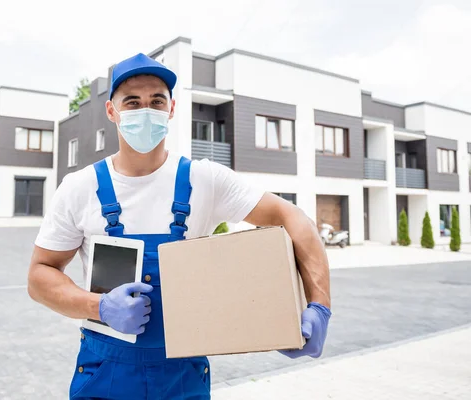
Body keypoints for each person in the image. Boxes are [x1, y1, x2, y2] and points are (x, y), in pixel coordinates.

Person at [28, 52, 331, 400]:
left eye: (157, 100)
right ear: (112, 112)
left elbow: (295, 220)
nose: (146, 110)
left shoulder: (206, 180)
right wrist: (98, 306)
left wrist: (319, 306)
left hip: (181, 377)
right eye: (132, 102)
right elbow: (40, 274)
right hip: (105, 372)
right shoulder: (80, 187)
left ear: (171, 109)